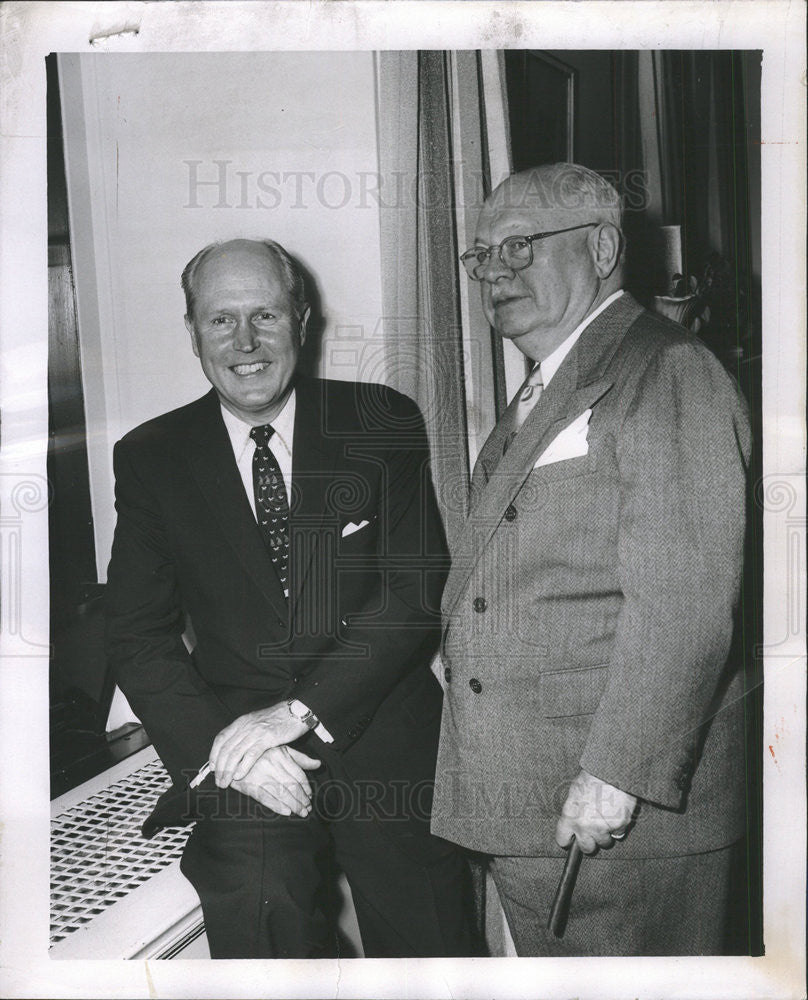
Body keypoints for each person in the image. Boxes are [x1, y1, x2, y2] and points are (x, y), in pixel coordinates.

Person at [105, 238, 470, 959]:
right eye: (221, 320)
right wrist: (230, 747)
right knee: (260, 909)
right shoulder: (153, 456)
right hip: (238, 746)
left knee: (431, 944)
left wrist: (295, 714)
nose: (245, 342)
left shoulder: (380, 421)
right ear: (192, 332)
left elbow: (412, 594)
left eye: (265, 315)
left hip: (379, 735)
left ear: (300, 320)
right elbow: (136, 635)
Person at [431, 164, 751, 956]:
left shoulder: (665, 368)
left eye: (519, 247)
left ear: (603, 246)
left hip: (615, 813)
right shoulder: (556, 380)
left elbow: (683, 600)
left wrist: (616, 776)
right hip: (537, 793)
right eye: (481, 259)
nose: (495, 274)